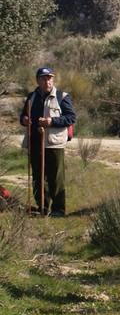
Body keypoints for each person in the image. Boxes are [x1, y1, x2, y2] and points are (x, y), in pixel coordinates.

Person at [20, 67, 76, 217]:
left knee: (56, 178)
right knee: (38, 178)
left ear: (53, 79)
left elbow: (71, 118)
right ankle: (42, 207)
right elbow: (23, 116)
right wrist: (24, 120)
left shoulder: (62, 97)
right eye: (44, 78)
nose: (47, 81)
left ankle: (58, 210)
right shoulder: (31, 97)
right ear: (38, 80)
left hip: (53, 143)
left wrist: (51, 121)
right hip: (34, 142)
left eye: (49, 78)